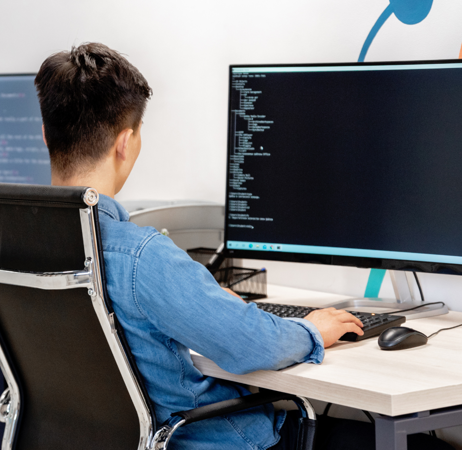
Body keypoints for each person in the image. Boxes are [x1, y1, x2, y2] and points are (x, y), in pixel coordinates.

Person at [34, 43, 452, 450]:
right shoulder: (140, 255)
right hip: (204, 439)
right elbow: (249, 345)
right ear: (126, 142)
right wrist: (313, 330)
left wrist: (211, 302)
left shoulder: (11, 245)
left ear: (44, 136)